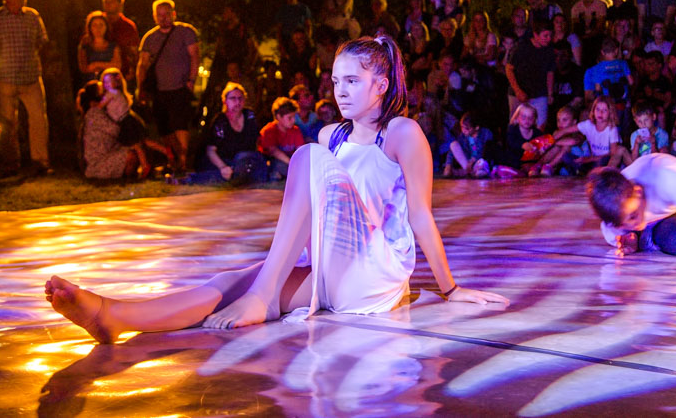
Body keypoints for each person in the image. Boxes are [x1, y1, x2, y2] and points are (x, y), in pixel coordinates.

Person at [45, 36, 508, 341]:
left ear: (382, 85)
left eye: (352, 81)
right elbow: (316, 214)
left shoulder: (403, 132)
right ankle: (114, 316)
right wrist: (292, 262)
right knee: (230, 283)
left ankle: (263, 295)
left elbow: (420, 216)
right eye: (336, 81)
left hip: (374, 273)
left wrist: (450, 289)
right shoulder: (331, 135)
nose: (341, 90)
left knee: (305, 158)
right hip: (331, 263)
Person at [0, 0, 52, 174]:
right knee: (7, 122)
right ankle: (11, 162)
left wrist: (38, 62)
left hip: (31, 77)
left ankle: (40, 161)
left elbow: (42, 42)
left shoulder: (33, 16)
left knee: (38, 120)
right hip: (4, 77)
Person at [136, 0, 200, 173]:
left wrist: (191, 80)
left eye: (166, 14)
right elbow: (143, 64)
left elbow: (195, 55)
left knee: (180, 124)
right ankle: (174, 159)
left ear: (174, 14)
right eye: (159, 15)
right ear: (154, 16)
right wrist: (141, 87)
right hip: (159, 90)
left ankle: (183, 161)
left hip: (180, 87)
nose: (163, 18)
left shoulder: (186, 32)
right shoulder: (149, 38)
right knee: (164, 127)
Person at [78, 80, 135, 180]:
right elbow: (115, 131)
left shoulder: (100, 112)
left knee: (136, 149)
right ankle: (128, 177)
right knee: (131, 154)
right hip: (99, 164)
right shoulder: (94, 113)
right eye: (103, 92)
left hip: (109, 154)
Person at [259, 97, 305, 180]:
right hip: (275, 161)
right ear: (278, 117)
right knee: (279, 165)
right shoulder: (268, 131)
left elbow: (300, 150)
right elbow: (274, 151)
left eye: (294, 117)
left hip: (290, 160)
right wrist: (293, 164)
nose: (293, 120)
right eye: (289, 118)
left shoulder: (295, 130)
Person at [101, 0, 139, 84]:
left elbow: (134, 51)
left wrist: (132, 70)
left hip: (122, 75)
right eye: (106, 1)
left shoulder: (128, 26)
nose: (108, 4)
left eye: (111, 1)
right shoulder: (97, 22)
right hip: (101, 74)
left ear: (120, 4)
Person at [77, 11, 122, 83]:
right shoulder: (84, 46)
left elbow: (117, 66)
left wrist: (96, 64)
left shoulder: (113, 46)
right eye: (94, 25)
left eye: (101, 25)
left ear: (106, 26)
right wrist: (107, 65)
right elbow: (84, 68)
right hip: (90, 84)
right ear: (90, 27)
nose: (98, 28)